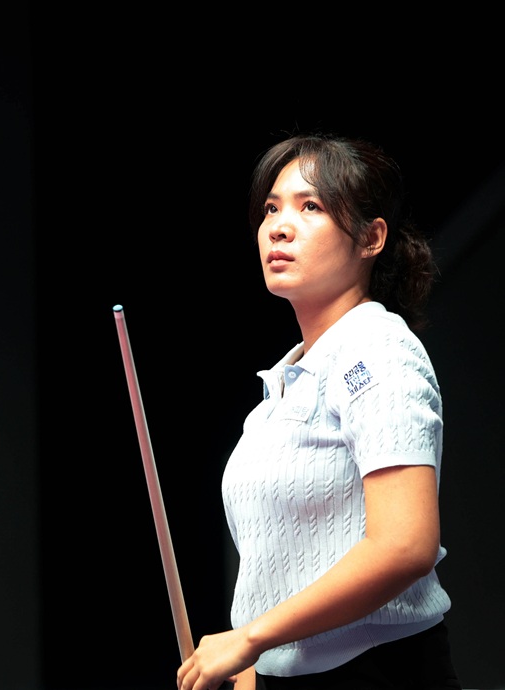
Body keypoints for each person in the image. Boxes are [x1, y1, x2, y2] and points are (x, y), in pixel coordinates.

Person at [176, 132, 462, 690]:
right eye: (271, 209)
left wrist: (251, 638)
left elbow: (405, 545)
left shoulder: (376, 349)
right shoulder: (282, 388)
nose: (279, 227)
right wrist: (253, 667)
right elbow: (277, 560)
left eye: (311, 207)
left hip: (381, 675)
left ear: (371, 238)